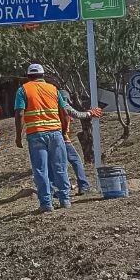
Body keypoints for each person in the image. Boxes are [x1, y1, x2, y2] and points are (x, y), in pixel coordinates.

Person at [14, 64, 102, 212]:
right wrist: (86, 115)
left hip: (36, 134)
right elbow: (67, 111)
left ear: (28, 76)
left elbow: (20, 113)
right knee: (60, 167)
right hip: (55, 134)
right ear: (43, 75)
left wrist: (18, 135)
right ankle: (65, 200)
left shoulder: (23, 90)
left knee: (41, 170)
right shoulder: (53, 89)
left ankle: (46, 203)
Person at [62, 109, 92, 195]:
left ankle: (59, 189)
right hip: (61, 136)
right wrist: (89, 113)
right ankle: (83, 185)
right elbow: (72, 114)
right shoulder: (58, 102)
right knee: (75, 160)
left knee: (55, 163)